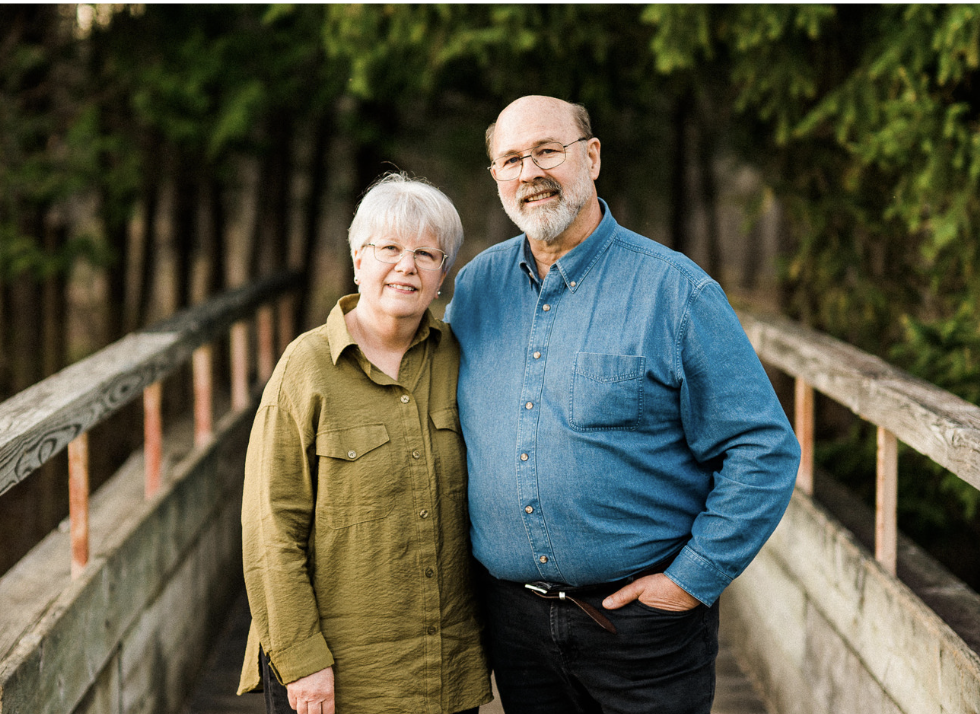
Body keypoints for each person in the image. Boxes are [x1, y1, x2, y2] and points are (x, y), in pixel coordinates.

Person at [444, 95, 801, 714]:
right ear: (496, 176)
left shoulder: (675, 291)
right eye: (511, 159)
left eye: (548, 151)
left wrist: (693, 578)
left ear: (592, 156)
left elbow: (762, 448)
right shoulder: (476, 288)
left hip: (643, 630)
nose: (530, 172)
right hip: (514, 625)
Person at [238, 173, 491, 714]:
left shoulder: (461, 361)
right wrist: (302, 661)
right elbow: (269, 531)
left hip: (445, 670)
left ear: (443, 274)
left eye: (427, 253)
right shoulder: (305, 369)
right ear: (358, 260)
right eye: (389, 248)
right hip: (335, 675)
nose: (407, 265)